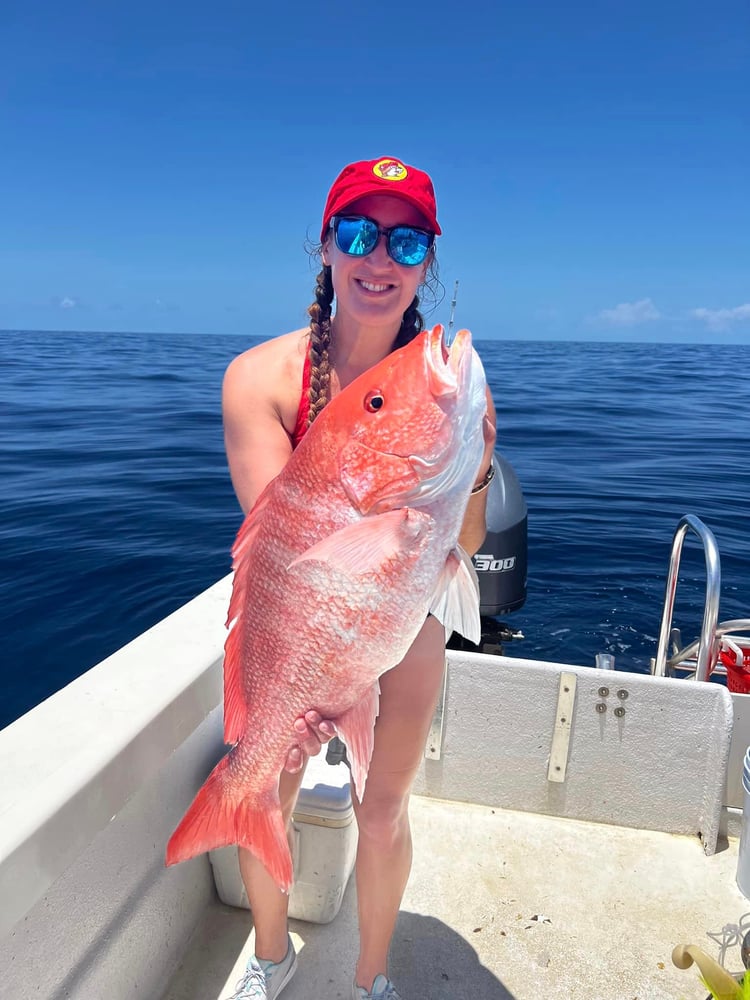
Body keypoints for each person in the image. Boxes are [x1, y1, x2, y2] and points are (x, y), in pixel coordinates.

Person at [221, 155, 497, 1000]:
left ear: (426, 263)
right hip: (307, 622)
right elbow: (285, 550)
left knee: (382, 811)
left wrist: (474, 464)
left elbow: (467, 543)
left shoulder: (445, 388)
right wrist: (316, 693)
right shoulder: (259, 380)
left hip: (408, 618)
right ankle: (274, 959)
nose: (381, 259)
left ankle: (371, 981)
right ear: (327, 250)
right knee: (261, 774)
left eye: (407, 240)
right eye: (358, 233)